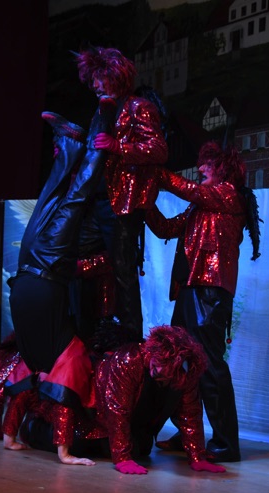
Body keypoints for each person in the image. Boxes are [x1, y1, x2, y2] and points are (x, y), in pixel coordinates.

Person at [6, 94, 117, 465]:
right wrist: (63, 453)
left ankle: (71, 142)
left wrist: (11, 439)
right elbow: (59, 396)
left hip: (32, 272)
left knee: (55, 199)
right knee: (68, 198)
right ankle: (96, 124)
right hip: (41, 271)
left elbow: (29, 394)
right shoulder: (60, 358)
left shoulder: (44, 363)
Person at [146, 140, 262, 462]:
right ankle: (189, 433)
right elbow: (166, 228)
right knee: (179, 362)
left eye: (207, 165)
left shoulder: (228, 195)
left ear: (223, 169)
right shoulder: (203, 205)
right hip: (191, 289)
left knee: (208, 364)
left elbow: (188, 190)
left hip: (209, 292)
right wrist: (144, 204)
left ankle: (225, 444)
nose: (200, 169)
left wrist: (154, 171)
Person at [18, 324, 226, 475]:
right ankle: (34, 427)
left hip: (131, 421)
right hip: (94, 418)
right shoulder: (128, 359)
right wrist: (122, 458)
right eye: (157, 365)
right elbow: (117, 409)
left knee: (141, 449)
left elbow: (190, 413)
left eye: (164, 370)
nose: (158, 370)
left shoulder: (185, 375)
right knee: (79, 443)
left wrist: (197, 456)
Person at [75, 46, 169, 341]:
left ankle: (130, 335)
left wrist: (119, 147)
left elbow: (158, 149)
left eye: (100, 78)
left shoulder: (138, 107)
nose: (95, 85)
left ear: (115, 76)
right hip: (97, 201)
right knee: (76, 253)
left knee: (123, 269)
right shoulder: (100, 111)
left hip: (123, 203)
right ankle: (89, 326)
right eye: (93, 80)